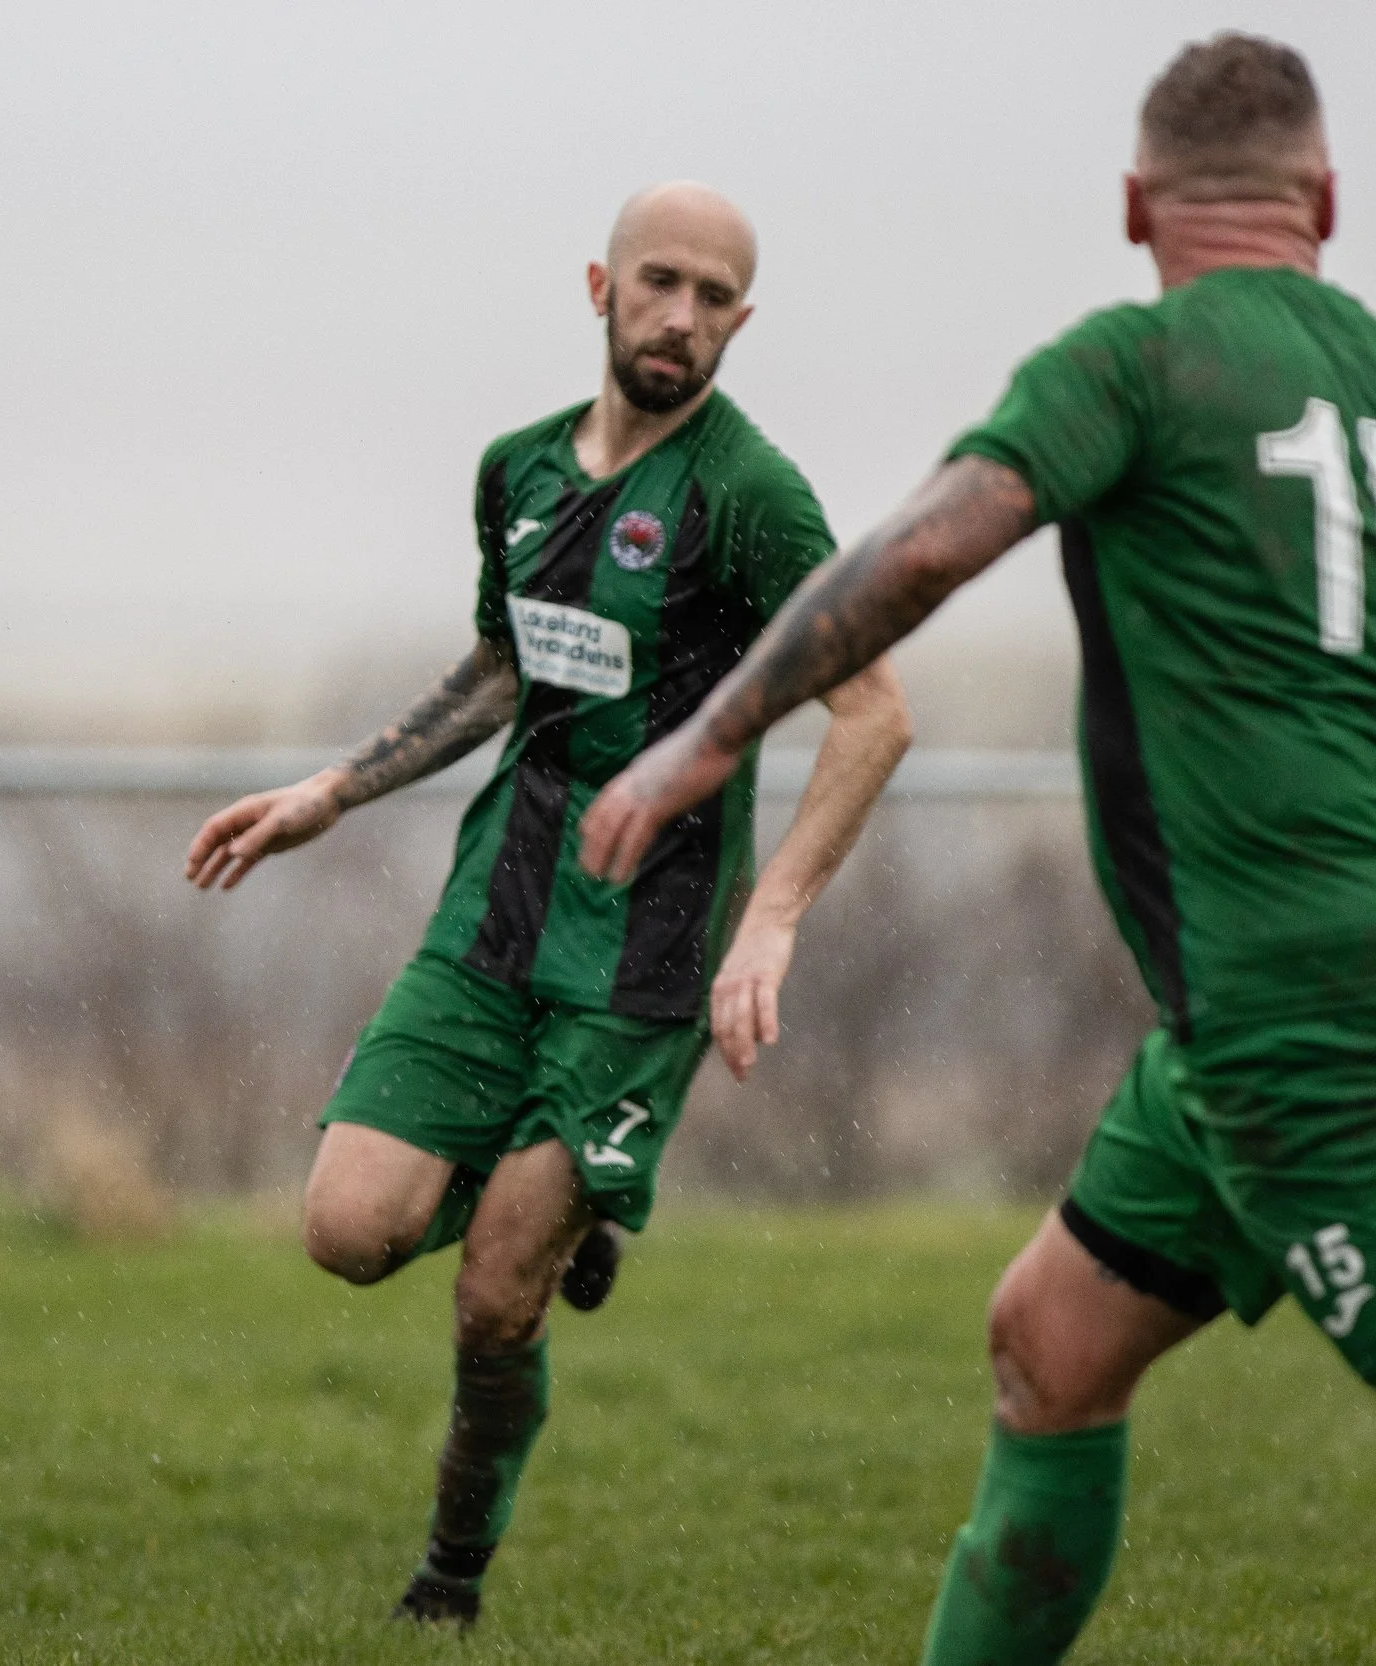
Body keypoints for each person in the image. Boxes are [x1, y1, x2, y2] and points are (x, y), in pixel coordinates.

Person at [576, 35, 1376, 1664]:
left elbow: (930, 544)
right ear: (1330, 202)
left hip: (1295, 1006)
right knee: (1049, 1347)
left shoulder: (1132, 364)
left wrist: (708, 737)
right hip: (1357, 970)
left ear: (1138, 205)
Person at [184, 182, 912, 1628]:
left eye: (715, 298)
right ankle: (563, 1193)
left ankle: (448, 1581)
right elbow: (505, 668)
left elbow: (876, 712)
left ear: (741, 322)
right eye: (660, 283)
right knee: (347, 1229)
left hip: (647, 949)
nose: (682, 317)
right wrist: (334, 789)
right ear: (600, 286)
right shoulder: (517, 470)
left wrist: (772, 921)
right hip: (496, 910)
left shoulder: (749, 498)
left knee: (495, 1289)